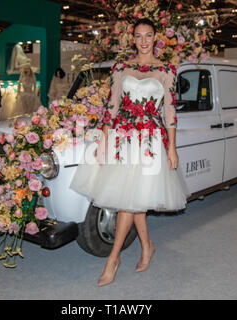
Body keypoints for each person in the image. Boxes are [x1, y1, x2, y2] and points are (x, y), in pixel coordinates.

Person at [69, 18, 191, 286]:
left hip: (148, 140)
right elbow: (111, 107)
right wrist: (102, 141)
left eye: (149, 35)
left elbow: (169, 112)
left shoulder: (167, 70)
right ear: (133, 39)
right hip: (122, 138)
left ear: (155, 38)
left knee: (129, 201)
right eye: (139, 35)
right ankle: (146, 246)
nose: (144, 40)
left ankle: (113, 259)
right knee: (132, 199)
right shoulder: (121, 68)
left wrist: (172, 147)